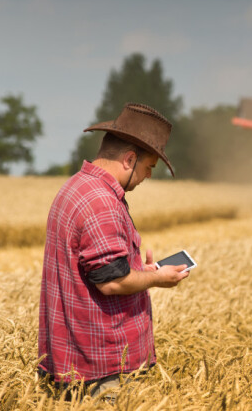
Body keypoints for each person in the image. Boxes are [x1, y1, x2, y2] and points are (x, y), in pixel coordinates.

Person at [38, 103, 189, 400]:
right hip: (102, 368)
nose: (148, 176)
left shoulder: (76, 187)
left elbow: (101, 269)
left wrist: (140, 272)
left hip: (74, 359)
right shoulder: (102, 202)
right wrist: (159, 279)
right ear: (129, 159)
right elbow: (112, 282)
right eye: (149, 167)